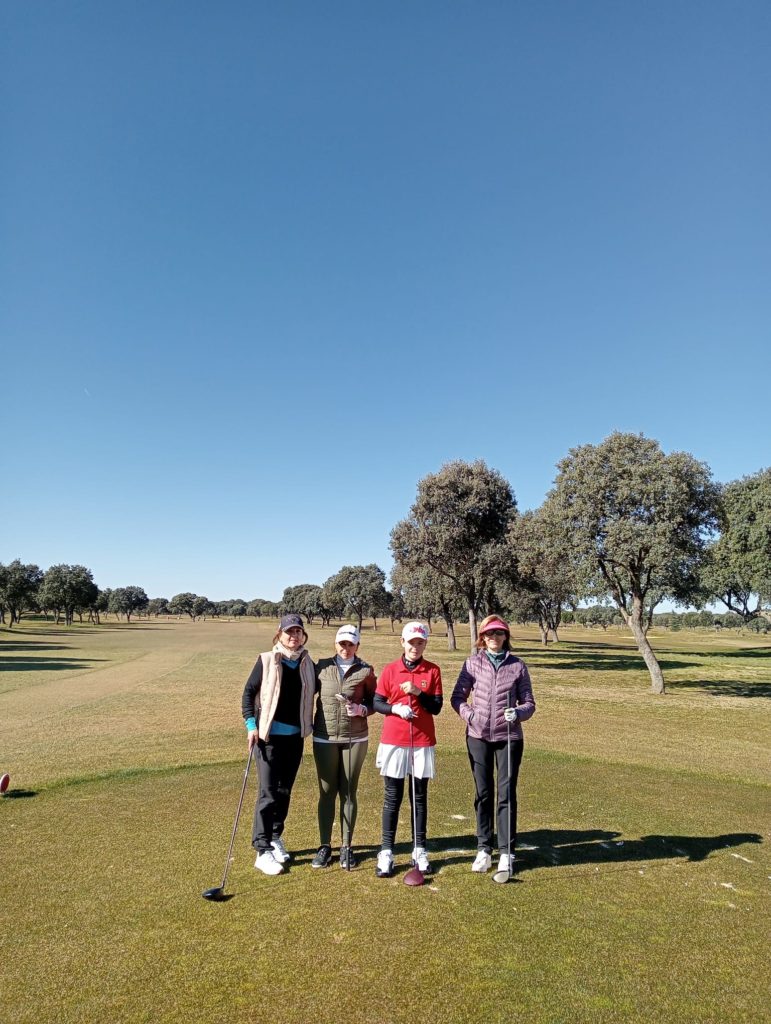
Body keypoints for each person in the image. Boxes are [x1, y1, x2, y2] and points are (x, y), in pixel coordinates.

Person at [450, 614, 536, 875]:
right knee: (483, 794)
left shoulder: (518, 666)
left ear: (506, 636)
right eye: (489, 634)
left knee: (506, 794)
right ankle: (483, 849)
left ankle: (507, 852)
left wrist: (518, 713)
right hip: (477, 736)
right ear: (482, 638)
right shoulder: (472, 663)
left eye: (499, 634)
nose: (494, 638)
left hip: (509, 737)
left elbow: (529, 703)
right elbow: (457, 697)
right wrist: (470, 714)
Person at [241, 613, 317, 876]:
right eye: (289, 632)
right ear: (280, 634)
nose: (293, 636)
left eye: (298, 632)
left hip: (295, 738)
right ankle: (262, 850)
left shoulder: (308, 663)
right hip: (268, 738)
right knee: (268, 793)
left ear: (303, 635)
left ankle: (275, 837)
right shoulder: (266, 659)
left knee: (284, 791)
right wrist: (251, 726)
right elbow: (249, 693)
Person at [373, 621, 443, 877]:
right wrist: (395, 708)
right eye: (411, 642)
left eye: (420, 642)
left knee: (419, 797)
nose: (415, 647)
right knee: (393, 796)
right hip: (394, 739)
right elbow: (377, 702)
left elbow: (436, 707)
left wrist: (417, 692)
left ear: (425, 643)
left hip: (422, 740)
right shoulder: (390, 670)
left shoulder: (432, 670)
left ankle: (419, 849)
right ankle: (386, 851)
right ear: (402, 642)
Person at [311, 624, 377, 869]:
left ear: (357, 645)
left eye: (351, 644)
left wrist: (362, 709)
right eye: (342, 644)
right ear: (335, 645)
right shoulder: (321, 667)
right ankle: (325, 846)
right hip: (324, 737)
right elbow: (306, 694)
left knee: (349, 791)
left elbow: (375, 702)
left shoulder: (366, 671)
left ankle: (347, 846)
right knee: (327, 791)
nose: (346, 648)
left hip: (355, 737)